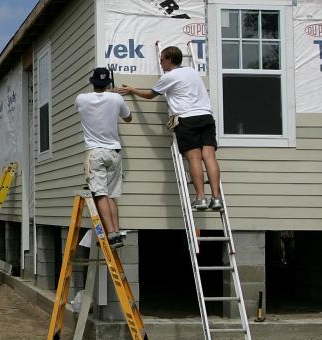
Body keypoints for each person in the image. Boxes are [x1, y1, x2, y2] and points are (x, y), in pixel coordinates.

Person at [118, 45, 223, 211]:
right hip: (206, 117)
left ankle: (201, 198)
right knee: (209, 157)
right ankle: (217, 199)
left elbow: (150, 95)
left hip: (187, 119)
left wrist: (133, 90)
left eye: (162, 60)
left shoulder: (169, 77)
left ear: (169, 60)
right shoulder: (192, 72)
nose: (160, 64)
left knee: (195, 159)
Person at [75, 67, 132, 249]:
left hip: (95, 152)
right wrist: (113, 95)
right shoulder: (116, 98)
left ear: (93, 82)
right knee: (112, 195)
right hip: (114, 152)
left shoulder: (81, 99)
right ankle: (116, 232)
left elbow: (93, 102)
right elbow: (128, 118)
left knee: (100, 194)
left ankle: (112, 235)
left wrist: (108, 93)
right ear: (108, 83)